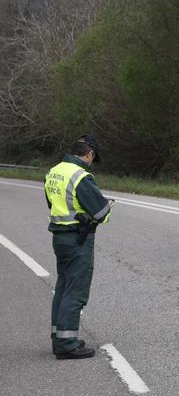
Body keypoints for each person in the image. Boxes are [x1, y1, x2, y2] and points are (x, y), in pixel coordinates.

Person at [44, 134, 112, 359]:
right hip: (77, 240)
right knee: (75, 292)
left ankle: (60, 337)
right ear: (89, 154)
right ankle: (67, 345)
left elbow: (55, 204)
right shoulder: (81, 176)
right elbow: (100, 213)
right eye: (93, 158)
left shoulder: (54, 171)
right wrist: (107, 205)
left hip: (60, 238)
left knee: (63, 287)